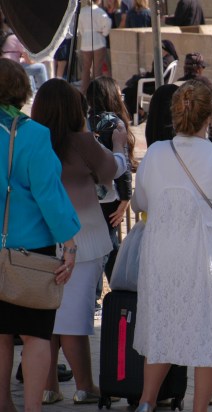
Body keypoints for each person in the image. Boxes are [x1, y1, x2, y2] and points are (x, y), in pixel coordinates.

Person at [132, 79, 212, 412]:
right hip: (208, 258)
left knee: (165, 329)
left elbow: (139, 201)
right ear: (208, 118)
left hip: (163, 257)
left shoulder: (155, 153)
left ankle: (146, 402)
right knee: (210, 334)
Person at [31, 78, 127, 405]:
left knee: (45, 318)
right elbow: (113, 170)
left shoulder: (31, 141)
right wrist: (119, 145)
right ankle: (85, 386)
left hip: (38, 239)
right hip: (82, 239)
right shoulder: (82, 142)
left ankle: (48, 387)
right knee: (74, 318)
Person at [0, 59, 79, 412]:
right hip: (31, 250)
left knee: (0, 335)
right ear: (22, 91)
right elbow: (50, 194)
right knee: (35, 334)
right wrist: (71, 243)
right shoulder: (33, 134)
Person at [85, 76, 136, 298]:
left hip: (86, 195)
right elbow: (122, 166)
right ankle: (109, 292)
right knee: (108, 245)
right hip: (109, 196)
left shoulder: (85, 121)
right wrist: (125, 199)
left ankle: (109, 290)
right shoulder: (115, 123)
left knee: (103, 244)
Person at [122, 39, 178, 122]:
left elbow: (157, 75)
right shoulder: (170, 58)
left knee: (128, 90)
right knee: (132, 87)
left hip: (153, 86)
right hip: (155, 83)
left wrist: (144, 76)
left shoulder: (163, 61)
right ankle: (140, 112)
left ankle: (138, 114)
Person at [0, 24, 48, 93]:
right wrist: (40, 61)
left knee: (25, 67)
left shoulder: (10, 36)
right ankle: (45, 93)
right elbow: (29, 61)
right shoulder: (18, 38)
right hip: (11, 67)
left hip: (5, 64)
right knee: (41, 67)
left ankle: (31, 93)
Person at [77, 0, 112, 94]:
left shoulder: (83, 11)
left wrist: (85, 34)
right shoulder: (99, 11)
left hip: (86, 42)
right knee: (98, 69)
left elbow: (80, 27)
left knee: (86, 69)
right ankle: (97, 92)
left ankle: (84, 92)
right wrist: (104, 33)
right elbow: (108, 22)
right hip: (98, 41)